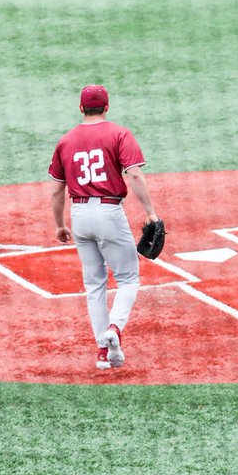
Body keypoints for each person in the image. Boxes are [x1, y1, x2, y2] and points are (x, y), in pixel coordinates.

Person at [48, 85, 160, 370]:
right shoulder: (119, 133)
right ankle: (115, 329)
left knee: (94, 285)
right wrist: (150, 213)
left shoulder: (66, 140)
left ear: (80, 108)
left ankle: (104, 351)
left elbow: (56, 192)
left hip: (80, 214)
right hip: (109, 212)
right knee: (128, 279)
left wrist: (61, 225)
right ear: (107, 106)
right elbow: (133, 173)